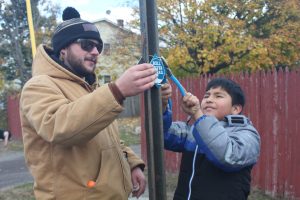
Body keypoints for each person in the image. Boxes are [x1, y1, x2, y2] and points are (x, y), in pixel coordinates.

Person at [19, 7, 156, 200]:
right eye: (86, 45)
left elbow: (106, 136)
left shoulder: (90, 87)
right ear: (63, 50)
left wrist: (131, 162)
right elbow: (58, 127)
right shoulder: (39, 85)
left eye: (98, 47)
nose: (95, 52)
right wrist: (117, 90)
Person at [161, 77, 261, 200]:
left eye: (218, 96)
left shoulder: (247, 134)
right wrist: (162, 106)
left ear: (235, 109)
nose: (209, 100)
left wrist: (198, 115)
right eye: (207, 96)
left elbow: (227, 156)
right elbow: (163, 135)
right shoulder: (195, 130)